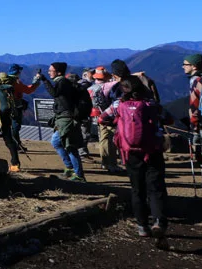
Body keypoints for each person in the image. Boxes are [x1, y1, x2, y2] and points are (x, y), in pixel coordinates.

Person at [102, 78, 172, 240]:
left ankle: (142, 226)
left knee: (137, 189)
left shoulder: (117, 105)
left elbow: (101, 118)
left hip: (129, 152)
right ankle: (158, 222)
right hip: (153, 150)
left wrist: (118, 124)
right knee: (156, 188)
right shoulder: (151, 104)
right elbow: (169, 119)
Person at [38, 62, 85, 182]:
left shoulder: (62, 82)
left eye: (51, 70)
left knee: (69, 146)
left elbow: (54, 93)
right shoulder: (62, 82)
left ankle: (78, 175)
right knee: (59, 143)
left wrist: (44, 80)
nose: (49, 72)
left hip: (67, 119)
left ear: (58, 72)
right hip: (64, 118)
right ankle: (71, 169)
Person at [91, 67, 122, 174]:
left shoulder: (92, 87)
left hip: (97, 115)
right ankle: (112, 164)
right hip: (109, 116)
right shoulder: (109, 85)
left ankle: (105, 162)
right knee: (112, 139)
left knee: (103, 139)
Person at [8, 64, 39, 151]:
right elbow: (28, 90)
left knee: (12, 126)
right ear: (17, 72)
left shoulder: (5, 81)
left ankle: (16, 144)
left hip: (6, 107)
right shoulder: (16, 82)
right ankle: (16, 145)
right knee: (15, 126)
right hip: (15, 107)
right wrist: (36, 81)